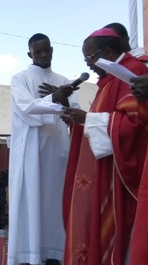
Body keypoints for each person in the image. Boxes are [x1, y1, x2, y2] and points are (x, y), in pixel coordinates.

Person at [62, 27, 148, 264]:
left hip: (117, 177)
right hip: (105, 170)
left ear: (108, 53)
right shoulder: (109, 79)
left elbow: (133, 125)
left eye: (90, 57)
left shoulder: (133, 71)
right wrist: (78, 122)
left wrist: (87, 119)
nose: (88, 65)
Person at [8, 33, 78, 265]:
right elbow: (26, 108)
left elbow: (75, 114)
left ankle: (56, 253)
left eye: (47, 50)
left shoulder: (64, 80)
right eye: (39, 51)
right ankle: (31, 254)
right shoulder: (20, 79)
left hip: (58, 152)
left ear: (52, 49)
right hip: (31, 153)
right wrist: (53, 97)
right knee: (33, 200)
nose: (44, 54)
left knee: (56, 201)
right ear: (30, 54)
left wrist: (63, 99)